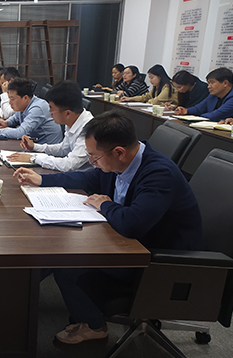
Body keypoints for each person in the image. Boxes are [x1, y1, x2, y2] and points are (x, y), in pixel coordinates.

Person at [13, 111, 203, 345]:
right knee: (52, 248)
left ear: (119, 152)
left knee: (66, 261)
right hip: (133, 242)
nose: (92, 162)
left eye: (94, 157)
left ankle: (94, 326)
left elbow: (132, 223)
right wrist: (42, 180)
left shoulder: (158, 174)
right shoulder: (121, 163)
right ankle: (15, 300)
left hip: (159, 260)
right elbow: (87, 179)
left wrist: (105, 204)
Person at [7, 81, 93, 172]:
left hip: (84, 178)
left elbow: (68, 165)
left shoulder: (88, 130)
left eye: (51, 109)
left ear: (67, 113)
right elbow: (63, 149)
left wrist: (34, 158)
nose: (49, 113)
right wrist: (34, 147)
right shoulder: (73, 120)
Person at [0, 77, 62, 143]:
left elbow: (21, 133)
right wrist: (6, 122)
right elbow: (16, 118)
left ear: (25, 98)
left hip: (46, 151)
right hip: (34, 146)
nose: (10, 102)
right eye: (9, 98)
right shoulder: (25, 105)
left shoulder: (37, 108)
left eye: (12, 99)